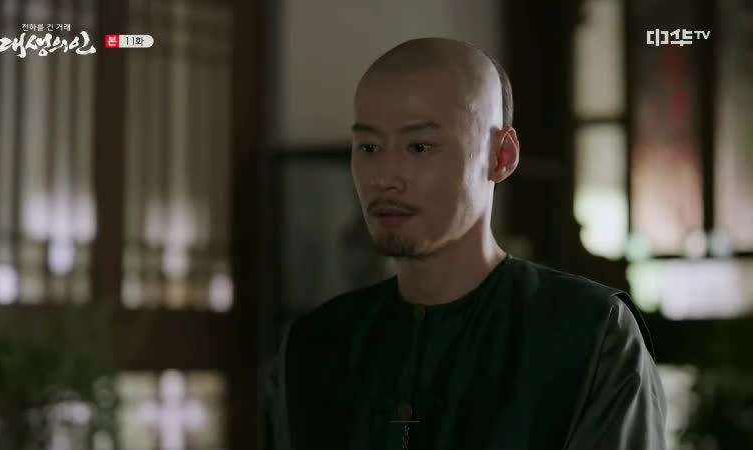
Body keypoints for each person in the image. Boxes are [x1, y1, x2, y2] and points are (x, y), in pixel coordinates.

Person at [267, 37, 666, 450]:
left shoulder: (590, 333)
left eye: (419, 147)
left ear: (501, 156)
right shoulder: (315, 346)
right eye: (369, 147)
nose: (384, 177)